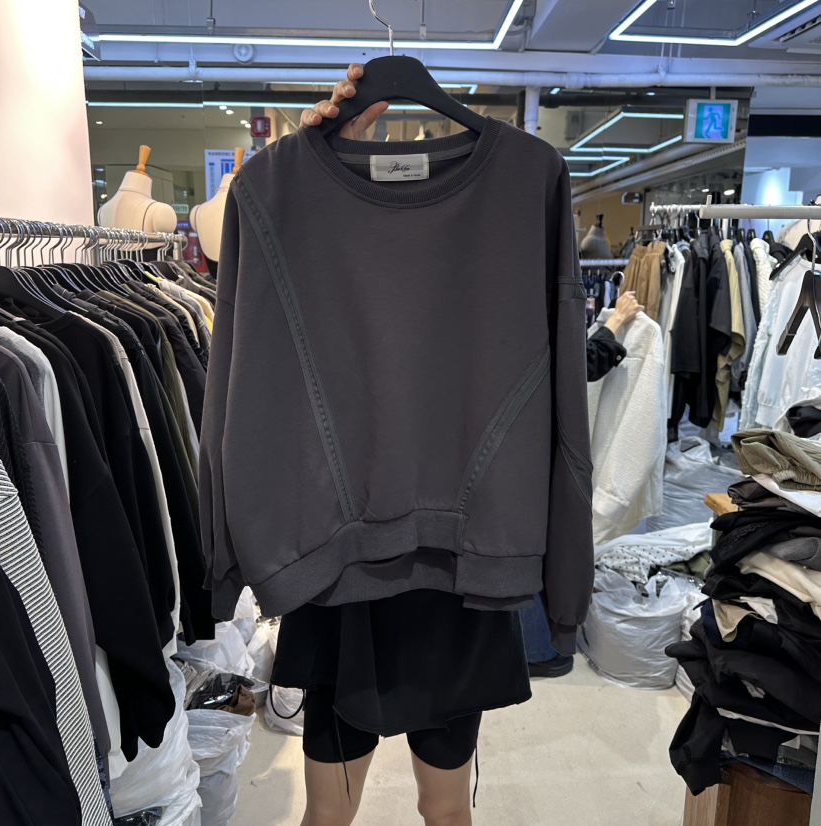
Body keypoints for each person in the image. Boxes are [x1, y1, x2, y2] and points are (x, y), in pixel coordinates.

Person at [275, 64, 535, 826]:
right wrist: (310, 158)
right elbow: (241, 230)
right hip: (344, 551)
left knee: (441, 809)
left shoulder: (520, 191)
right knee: (332, 811)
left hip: (455, 556)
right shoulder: (295, 195)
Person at [522, 290, 644, 678]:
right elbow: (577, 364)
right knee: (526, 548)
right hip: (528, 450)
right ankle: (536, 649)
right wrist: (614, 323)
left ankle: (533, 646)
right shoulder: (528, 292)